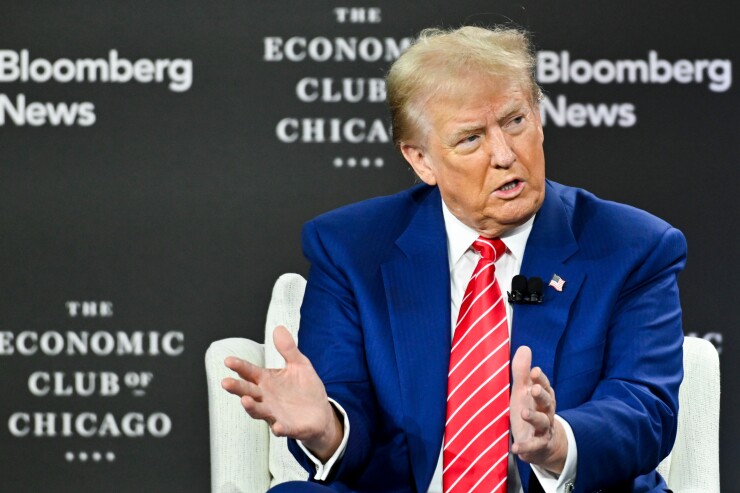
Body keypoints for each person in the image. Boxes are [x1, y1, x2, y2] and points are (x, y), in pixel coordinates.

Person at [222, 25, 686, 493]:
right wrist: (328, 428)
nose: (505, 154)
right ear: (421, 160)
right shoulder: (352, 249)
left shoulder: (632, 246)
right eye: (470, 139)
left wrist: (557, 444)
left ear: (539, 118)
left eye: (515, 121)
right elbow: (347, 401)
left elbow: (644, 405)